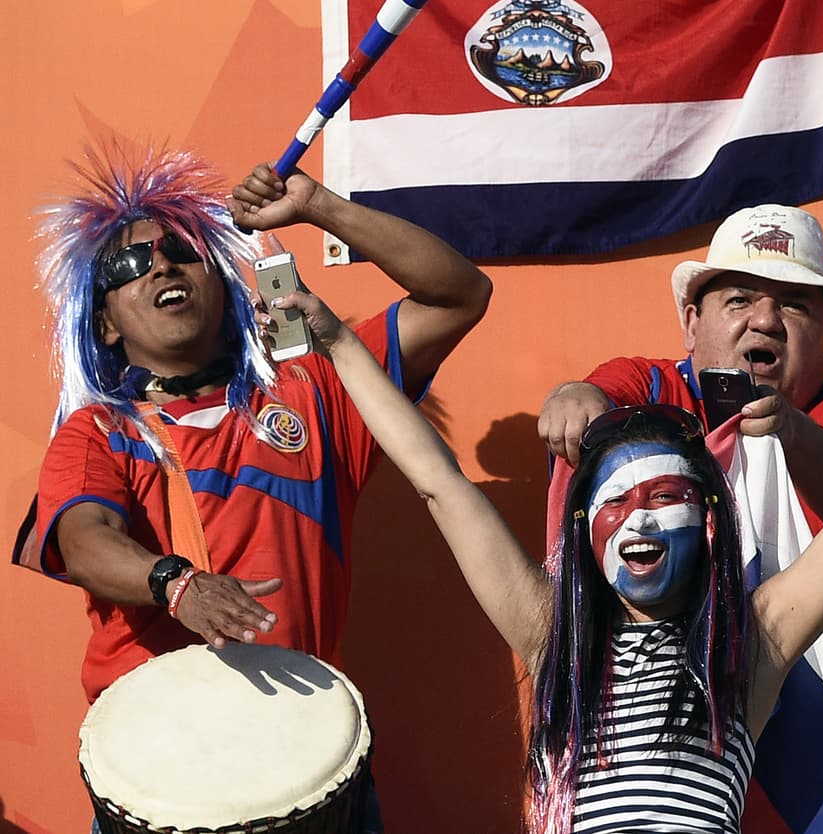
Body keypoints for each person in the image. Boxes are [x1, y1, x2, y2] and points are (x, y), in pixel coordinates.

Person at [281, 259, 823, 832]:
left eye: (663, 497)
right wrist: (340, 342)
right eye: (616, 502)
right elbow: (438, 481)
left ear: (707, 524)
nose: (637, 520)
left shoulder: (753, 643)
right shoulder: (554, 635)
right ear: (584, 532)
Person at [32, 145, 492, 707]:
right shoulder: (97, 432)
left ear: (223, 284)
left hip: (304, 729)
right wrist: (178, 585)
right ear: (104, 323)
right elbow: (85, 543)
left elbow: (458, 297)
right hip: (157, 733)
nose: (162, 266)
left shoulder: (318, 389)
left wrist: (319, 205)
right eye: (128, 266)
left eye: (182, 249)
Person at [539, 204, 823, 672]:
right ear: (692, 324)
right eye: (739, 300)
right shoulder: (648, 386)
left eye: (794, 305)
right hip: (655, 689)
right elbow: (588, 403)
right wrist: (570, 397)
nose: (765, 321)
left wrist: (790, 432)